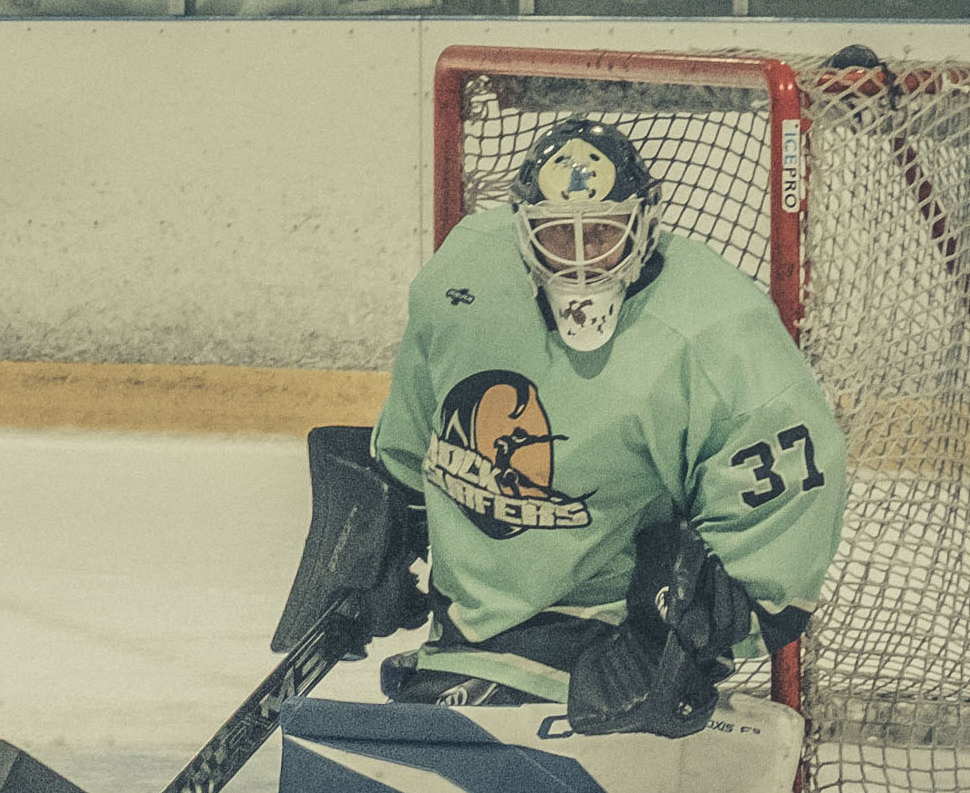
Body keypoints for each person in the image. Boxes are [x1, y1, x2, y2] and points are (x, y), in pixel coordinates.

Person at [281, 118, 848, 739]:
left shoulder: (717, 327)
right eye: (558, 235)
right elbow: (417, 422)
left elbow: (790, 497)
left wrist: (686, 632)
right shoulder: (464, 276)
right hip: (467, 627)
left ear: (644, 224)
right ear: (522, 231)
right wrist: (389, 529)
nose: (581, 258)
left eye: (603, 232)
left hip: (613, 633)